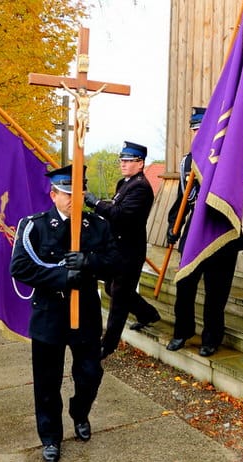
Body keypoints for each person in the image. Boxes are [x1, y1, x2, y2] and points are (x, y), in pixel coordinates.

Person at [9, 164, 119, 462]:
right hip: (49, 315)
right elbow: (19, 267)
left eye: (79, 192)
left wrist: (89, 261)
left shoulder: (97, 226)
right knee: (47, 382)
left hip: (85, 314)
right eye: (67, 193)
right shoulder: (34, 226)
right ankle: (50, 438)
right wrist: (61, 278)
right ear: (53, 194)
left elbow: (114, 263)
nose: (74, 198)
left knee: (90, 375)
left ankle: (79, 412)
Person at [165, 107, 243, 357]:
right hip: (194, 231)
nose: (197, 134)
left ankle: (211, 338)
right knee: (185, 284)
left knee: (216, 292)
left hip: (222, 231)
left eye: (202, 129)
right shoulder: (187, 162)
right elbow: (182, 198)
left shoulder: (226, 160)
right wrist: (173, 225)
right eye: (194, 130)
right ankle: (182, 331)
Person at [84, 141, 161, 359]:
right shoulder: (124, 183)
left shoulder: (141, 187)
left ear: (140, 163)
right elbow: (115, 208)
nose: (123, 165)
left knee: (118, 299)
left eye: (128, 161)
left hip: (129, 251)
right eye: (122, 161)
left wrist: (96, 203)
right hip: (116, 248)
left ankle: (106, 346)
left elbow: (122, 216)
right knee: (113, 289)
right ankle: (148, 314)